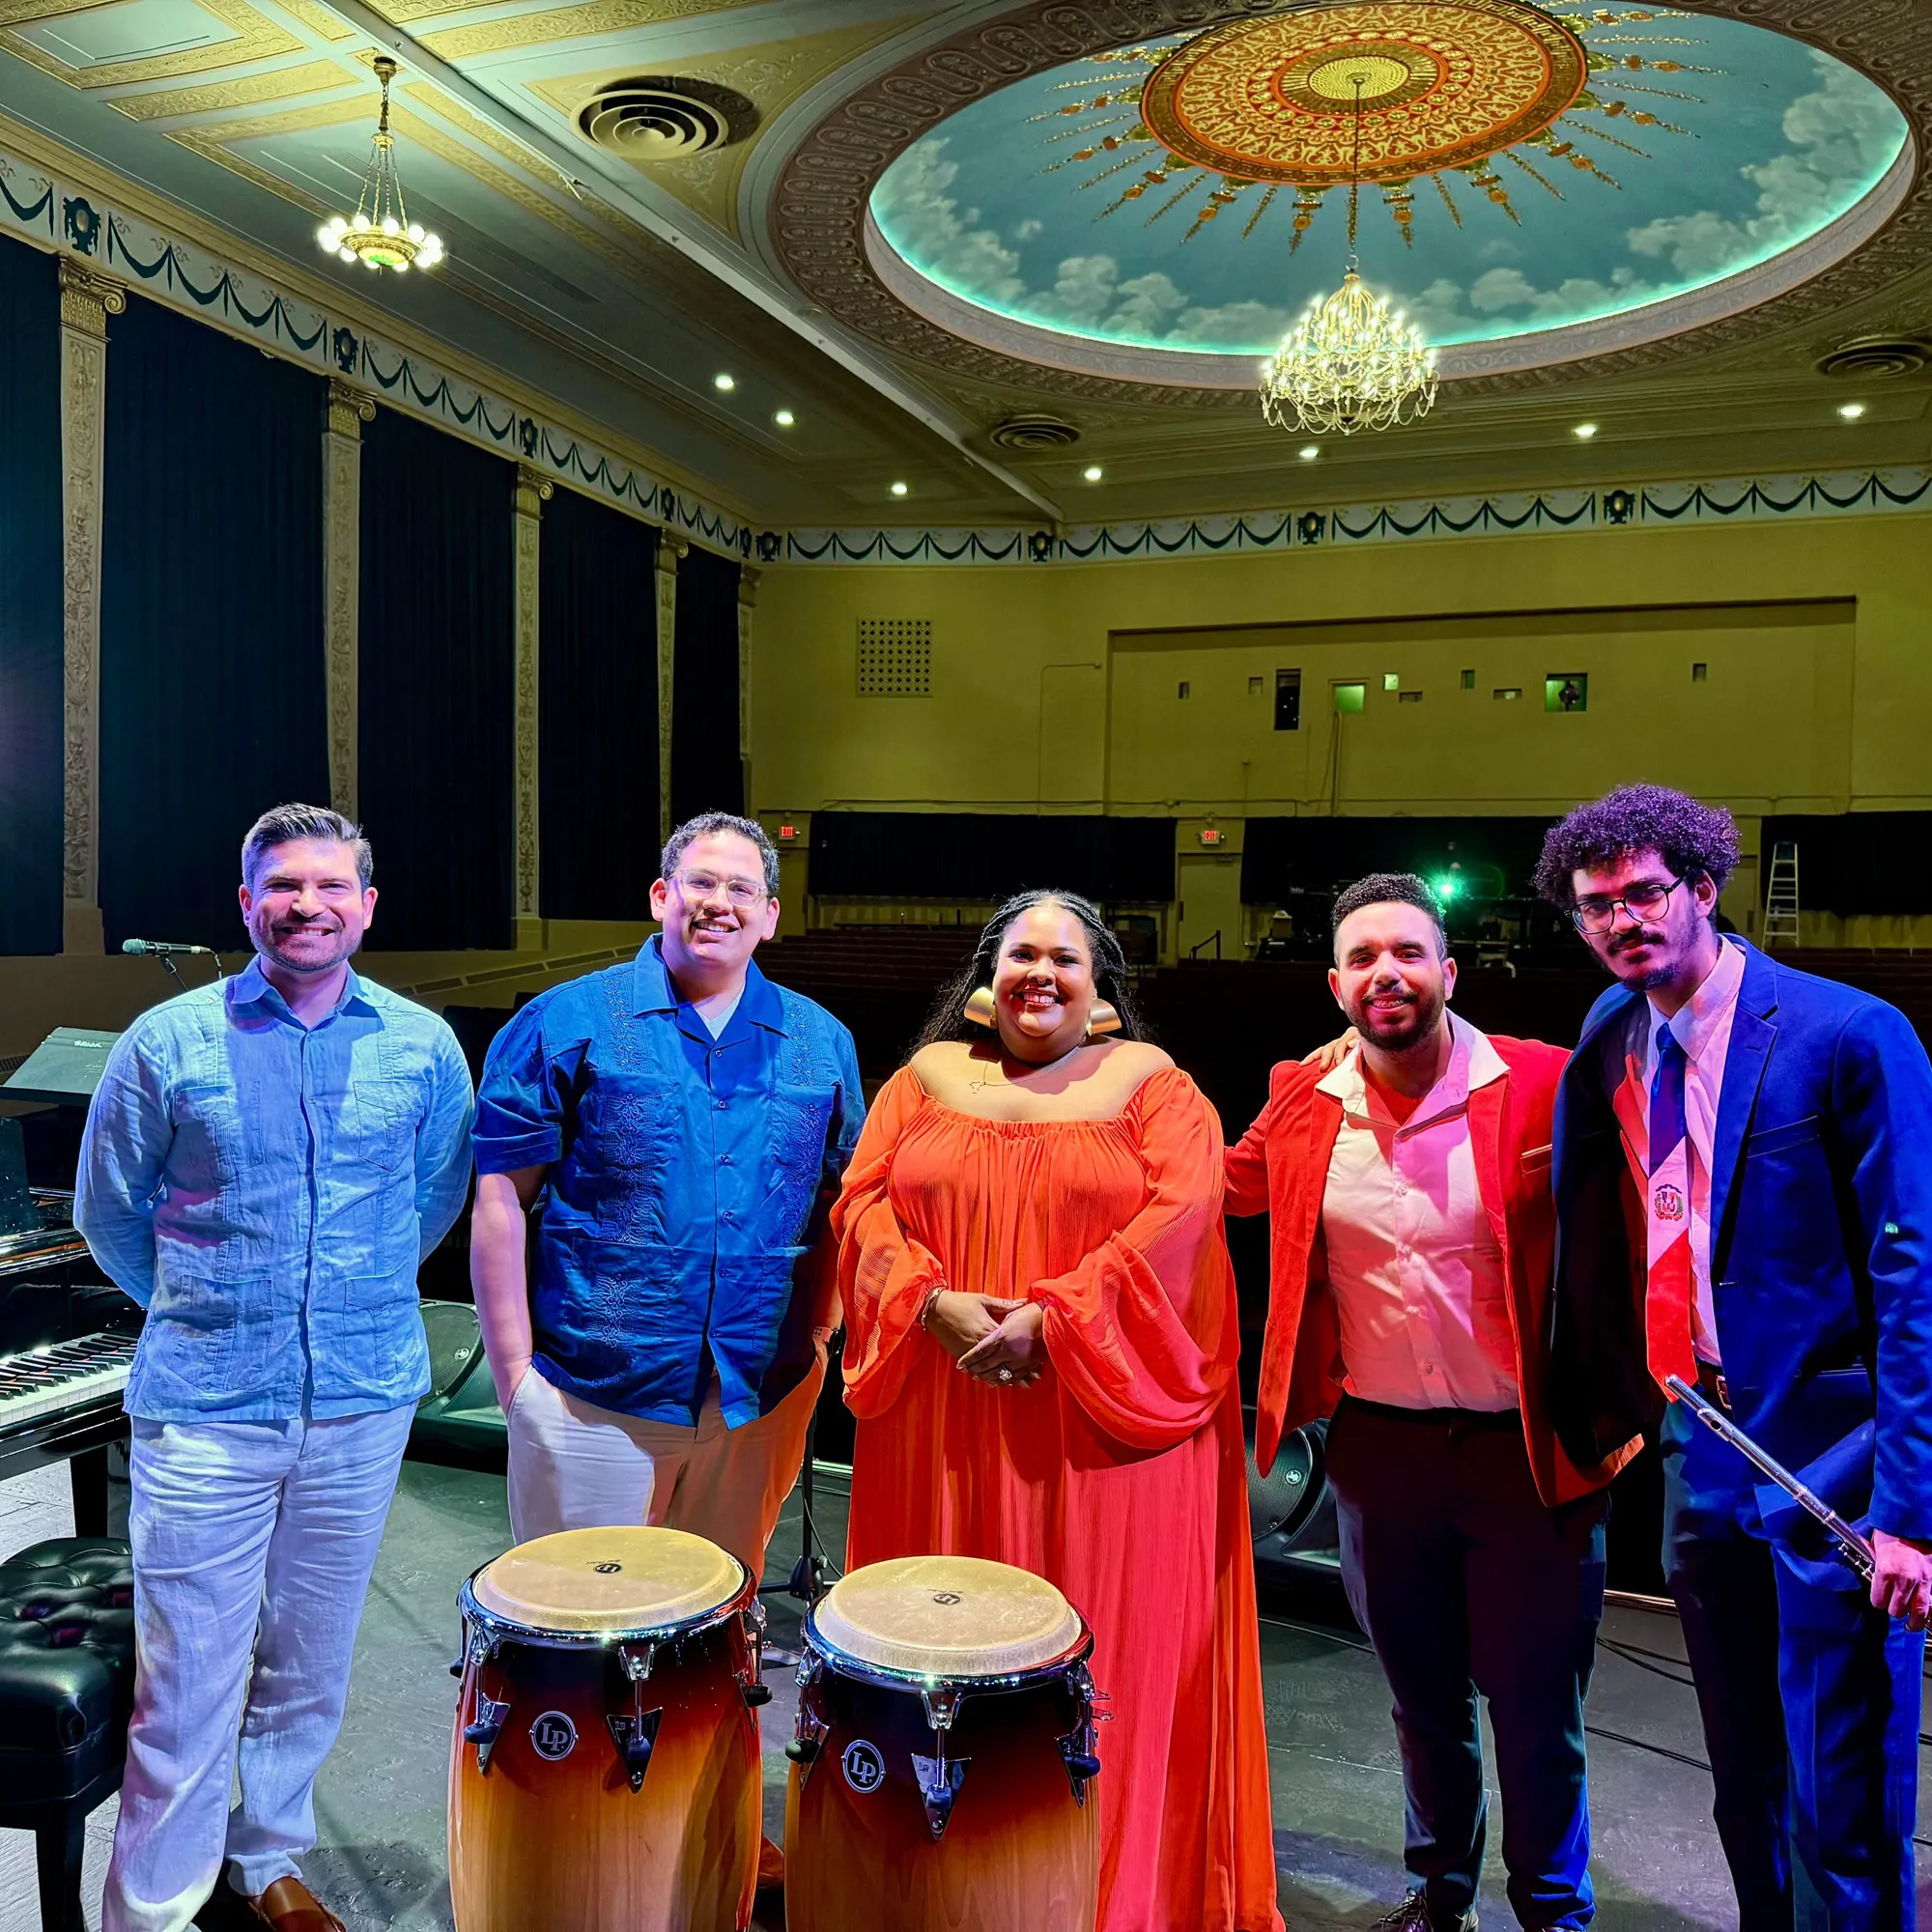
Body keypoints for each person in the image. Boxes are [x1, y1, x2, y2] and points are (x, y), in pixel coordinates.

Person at [833, 889, 1280, 1932]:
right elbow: (861, 1201)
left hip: (1100, 1420)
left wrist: (1057, 1316)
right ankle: (935, 1885)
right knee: (940, 1649)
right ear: (988, 975)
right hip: (944, 1411)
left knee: (1100, 1667)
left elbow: (1185, 1215)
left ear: (1101, 983)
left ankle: (1100, 1897)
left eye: (1065, 957)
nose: (1042, 972)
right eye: (1022, 952)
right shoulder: (923, 1079)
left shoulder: (1154, 1088)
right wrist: (925, 1299)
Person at [1536, 784, 1932, 1932]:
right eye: (1595, 904)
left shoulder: (1848, 1033)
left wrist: (1910, 1509)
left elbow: (1914, 1285)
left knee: (1840, 1788)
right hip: (1700, 1443)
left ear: (1703, 888)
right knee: (1740, 1771)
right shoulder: (1610, 1035)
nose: (1623, 920)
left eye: (1645, 893)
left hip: (1838, 1459)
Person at [74, 804, 474, 1932]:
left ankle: (266, 1859)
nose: (309, 905)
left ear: (367, 905)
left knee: (311, 1655)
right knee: (189, 1673)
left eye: (331, 886)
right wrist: (205, 1308)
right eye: (284, 886)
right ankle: (152, 1907)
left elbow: (431, 1197)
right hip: (208, 1400)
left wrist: (346, 1297)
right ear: (246, 903)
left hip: (360, 1395)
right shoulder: (168, 1041)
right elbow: (110, 1211)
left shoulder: (420, 1044)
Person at [1227, 873, 1635, 1932]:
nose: (1385, 974)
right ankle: (1438, 1893)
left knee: (1537, 1707)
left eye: (1406, 952)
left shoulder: (1541, 1081)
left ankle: (1552, 1908)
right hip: (1380, 1452)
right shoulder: (1302, 1099)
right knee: (1421, 1701)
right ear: (1332, 983)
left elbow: (1640, 1205)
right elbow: (1221, 1189)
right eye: (1361, 958)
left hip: (1526, 1456)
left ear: (1448, 970)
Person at [469, 812, 863, 1883]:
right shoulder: (567, 1019)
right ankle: (575, 1859)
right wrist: (514, 1377)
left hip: (760, 1390)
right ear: (659, 895)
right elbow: (502, 1194)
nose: (717, 902)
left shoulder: (820, 1040)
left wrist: (820, 1335)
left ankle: (719, 1839)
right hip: (594, 1387)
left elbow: (840, 1202)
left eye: (741, 887)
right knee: (579, 1641)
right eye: (698, 882)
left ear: (771, 915)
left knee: (723, 1640)